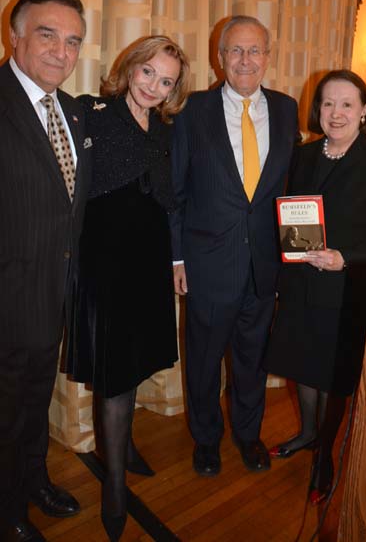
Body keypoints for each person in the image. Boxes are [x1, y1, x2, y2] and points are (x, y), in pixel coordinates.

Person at [66, 35, 190, 541]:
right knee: (115, 372)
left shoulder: (165, 128)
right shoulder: (91, 112)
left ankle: (127, 447)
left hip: (149, 264)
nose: (154, 87)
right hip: (107, 266)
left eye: (166, 81)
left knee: (136, 362)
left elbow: (169, 202)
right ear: (130, 67)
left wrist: (176, 258)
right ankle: (114, 482)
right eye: (147, 74)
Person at [170, 16, 299, 477]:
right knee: (204, 363)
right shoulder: (191, 109)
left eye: (255, 51)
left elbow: (289, 189)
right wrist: (177, 257)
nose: (246, 60)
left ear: (268, 56)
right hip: (207, 264)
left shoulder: (287, 109)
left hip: (264, 266)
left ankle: (248, 435)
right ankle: (206, 439)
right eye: (236, 51)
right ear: (219, 57)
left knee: (253, 361)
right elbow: (176, 191)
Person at [265, 69, 366, 505]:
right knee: (302, 366)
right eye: (327, 103)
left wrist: (344, 257)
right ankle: (307, 432)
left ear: (364, 111)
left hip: (344, 293)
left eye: (346, 104)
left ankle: (325, 456)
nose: (335, 112)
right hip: (301, 281)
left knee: (328, 376)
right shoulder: (303, 155)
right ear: (317, 109)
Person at [0, 0, 91, 542]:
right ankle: (7, 511)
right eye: (47, 34)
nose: (62, 50)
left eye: (74, 40)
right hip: (8, 300)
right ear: (15, 36)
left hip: (52, 297)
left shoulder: (73, 110)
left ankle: (31, 480)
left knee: (33, 405)